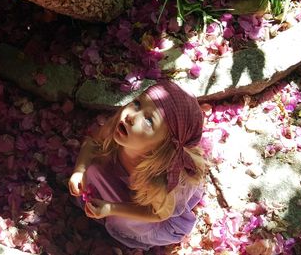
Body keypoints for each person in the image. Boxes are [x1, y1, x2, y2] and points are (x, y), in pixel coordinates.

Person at [68, 80, 207, 250]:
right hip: (124, 186)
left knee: (126, 219)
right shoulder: (119, 129)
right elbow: (93, 143)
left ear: (162, 145)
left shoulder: (163, 178)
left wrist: (112, 209)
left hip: (146, 210)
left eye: (149, 121)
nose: (131, 116)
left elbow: (158, 214)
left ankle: (114, 218)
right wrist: (79, 170)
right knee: (93, 169)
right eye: (136, 103)